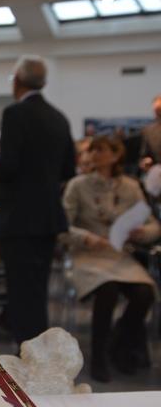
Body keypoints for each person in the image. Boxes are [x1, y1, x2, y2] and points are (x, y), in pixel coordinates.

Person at [0, 55, 76, 346]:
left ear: (17, 81)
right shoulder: (58, 117)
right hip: (48, 217)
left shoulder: (15, 114)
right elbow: (69, 169)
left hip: (19, 217)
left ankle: (26, 351)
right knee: (38, 290)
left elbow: (8, 165)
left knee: (20, 291)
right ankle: (40, 349)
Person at [62, 135, 158, 382]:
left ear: (116, 155)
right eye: (92, 150)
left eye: (101, 150)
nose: (95, 154)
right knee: (108, 290)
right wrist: (86, 238)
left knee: (144, 292)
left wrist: (142, 232)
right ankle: (99, 356)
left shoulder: (130, 186)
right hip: (89, 256)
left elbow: (152, 225)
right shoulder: (78, 185)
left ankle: (119, 343)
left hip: (119, 255)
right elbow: (62, 226)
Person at [139, 94, 161, 170]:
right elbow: (144, 154)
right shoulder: (148, 131)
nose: (158, 112)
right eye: (156, 110)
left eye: (160, 109)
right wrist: (146, 161)